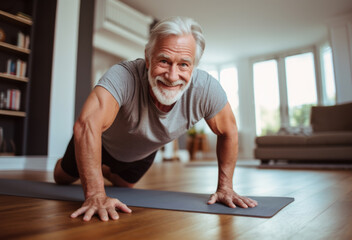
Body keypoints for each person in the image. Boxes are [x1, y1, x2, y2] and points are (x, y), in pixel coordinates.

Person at [53, 16, 258, 222]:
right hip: (101, 144)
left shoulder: (206, 89)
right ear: (148, 58)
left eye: (184, 64)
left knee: (125, 187)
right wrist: (96, 194)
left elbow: (229, 131)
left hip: (143, 153)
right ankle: (93, 166)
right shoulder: (123, 76)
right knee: (61, 178)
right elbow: (86, 125)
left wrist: (225, 188)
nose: (172, 75)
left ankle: (103, 170)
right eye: (164, 61)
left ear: (193, 66)